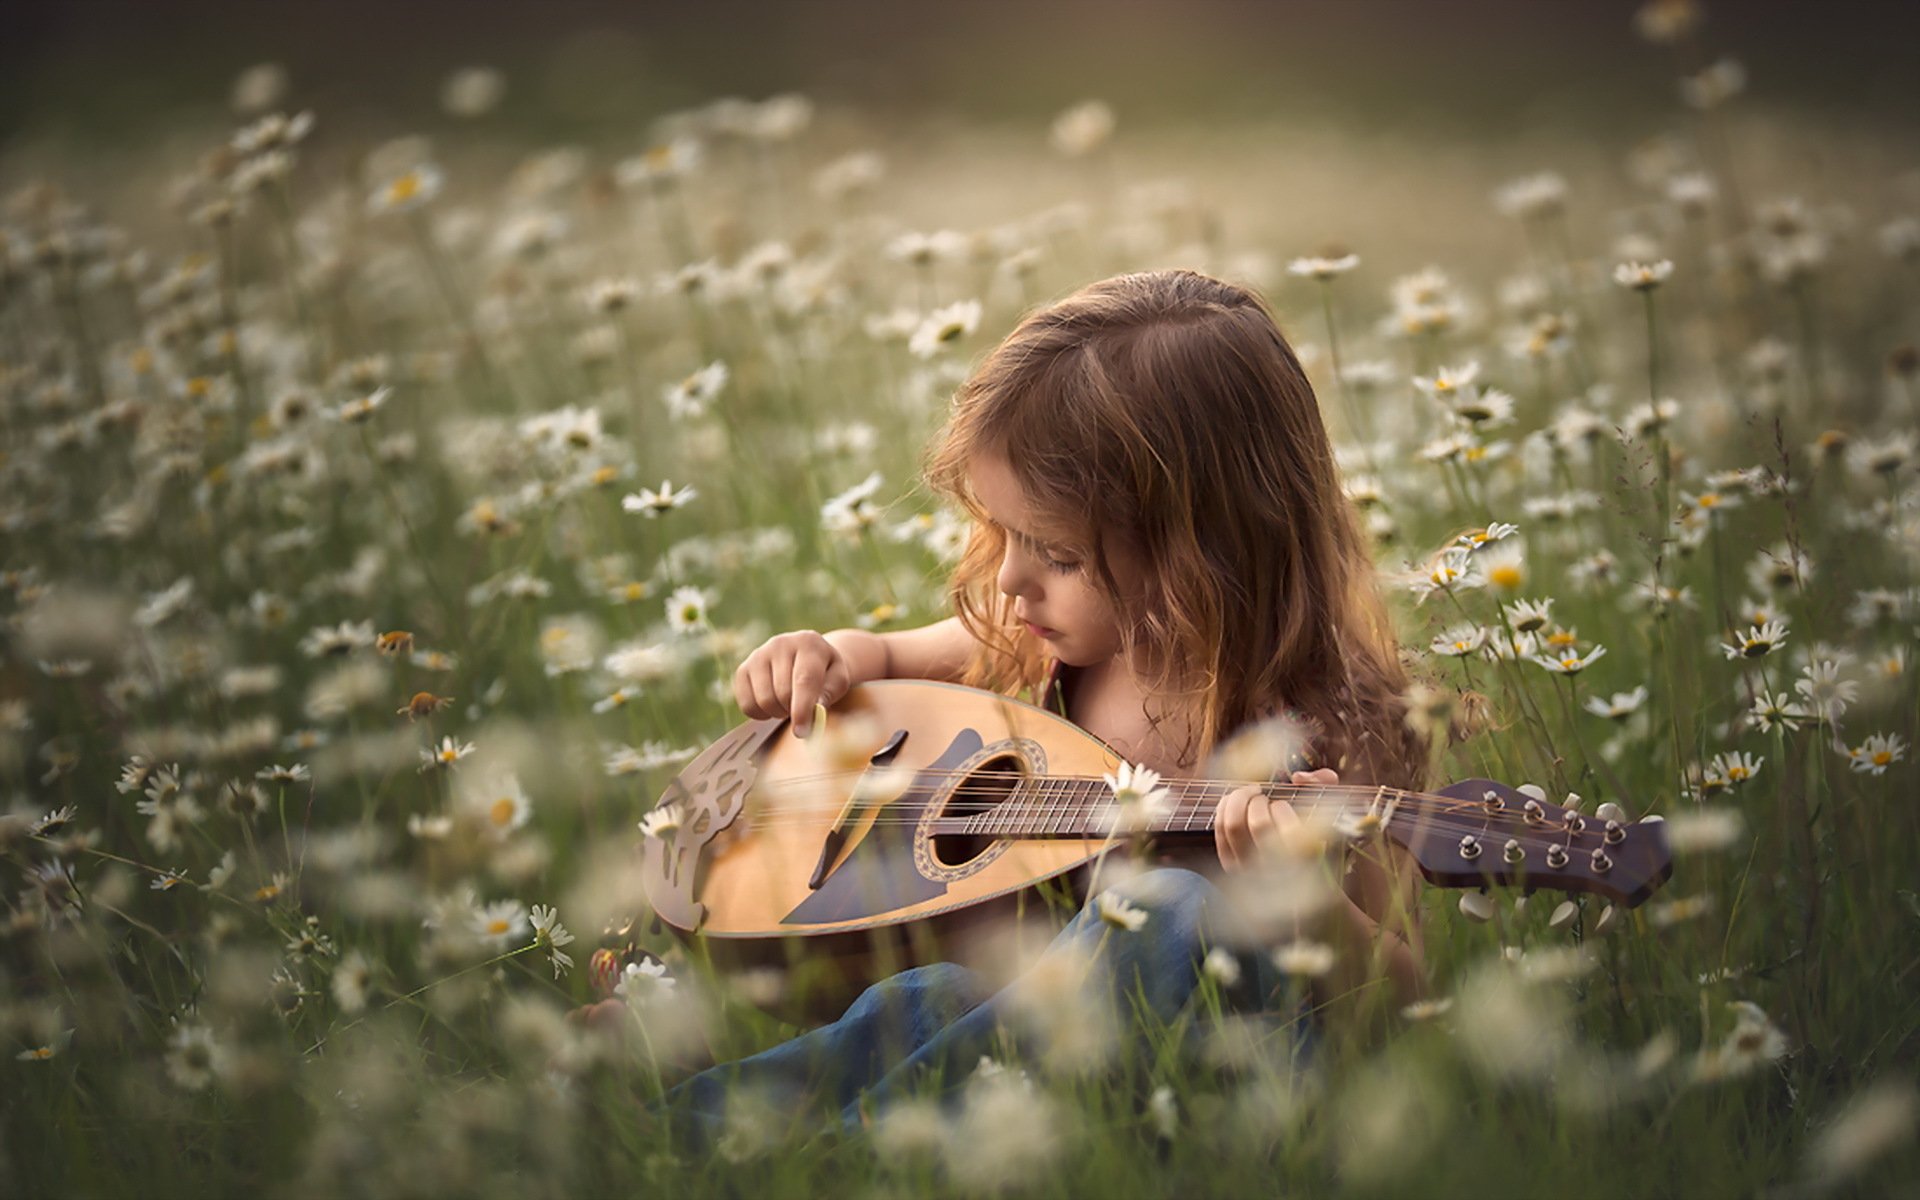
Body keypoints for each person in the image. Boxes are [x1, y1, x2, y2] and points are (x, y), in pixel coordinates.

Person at [644, 268, 1429, 1141]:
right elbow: (884, 661)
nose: (1010, 579)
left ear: (1197, 551)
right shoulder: (1040, 643)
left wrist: (1304, 902)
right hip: (1019, 1034)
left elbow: (1404, 1003)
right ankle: (688, 1121)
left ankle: (831, 1149)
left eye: (1053, 553)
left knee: (1173, 908)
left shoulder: (1337, 717)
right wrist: (821, 657)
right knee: (935, 994)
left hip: (1207, 1089)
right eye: (1003, 535)